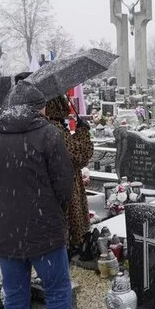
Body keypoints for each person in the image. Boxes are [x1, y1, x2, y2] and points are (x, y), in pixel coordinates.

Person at [0, 80, 74, 309]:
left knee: (15, 297)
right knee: (56, 291)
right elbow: (64, 185)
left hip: (6, 230)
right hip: (43, 230)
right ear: (38, 108)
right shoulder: (48, 135)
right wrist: (54, 212)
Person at [44, 95, 93, 254]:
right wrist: (83, 131)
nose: (66, 105)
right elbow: (79, 155)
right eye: (62, 102)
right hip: (66, 180)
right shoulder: (54, 128)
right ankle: (73, 247)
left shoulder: (50, 125)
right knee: (71, 218)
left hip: (57, 181)